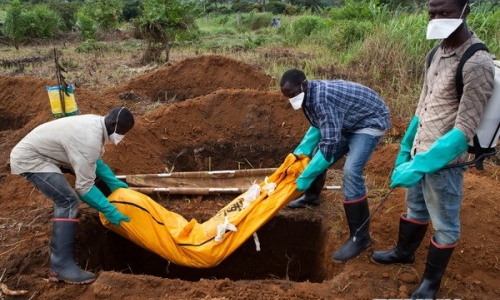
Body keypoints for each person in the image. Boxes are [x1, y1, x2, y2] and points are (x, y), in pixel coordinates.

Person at [369, 0, 495, 298]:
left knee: (445, 224)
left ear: (465, 11)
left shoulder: (477, 62)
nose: (437, 18)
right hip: (420, 148)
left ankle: (430, 285)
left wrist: (421, 165)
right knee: (416, 207)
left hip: (443, 163)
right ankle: (404, 252)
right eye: (432, 13)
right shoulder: (436, 52)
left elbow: (464, 130)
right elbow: (422, 107)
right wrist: (405, 150)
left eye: (445, 12)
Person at [10, 106, 135, 284]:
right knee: (67, 201)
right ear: (114, 123)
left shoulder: (97, 124)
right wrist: (110, 211)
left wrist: (113, 183)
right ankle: (60, 267)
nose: (122, 137)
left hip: (49, 152)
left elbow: (95, 162)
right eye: (122, 132)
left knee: (95, 178)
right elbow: (84, 189)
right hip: (31, 159)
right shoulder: (89, 139)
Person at [280, 69, 391, 262]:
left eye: (293, 94)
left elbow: (330, 144)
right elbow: (318, 127)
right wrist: (299, 153)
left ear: (303, 85)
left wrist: (305, 176)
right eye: (288, 97)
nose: (292, 99)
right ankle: (311, 197)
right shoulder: (308, 95)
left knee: (351, 171)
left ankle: (360, 237)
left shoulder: (322, 99)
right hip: (348, 121)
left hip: (368, 121)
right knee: (315, 155)